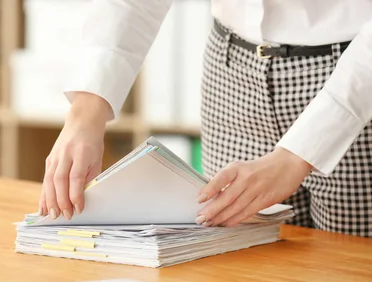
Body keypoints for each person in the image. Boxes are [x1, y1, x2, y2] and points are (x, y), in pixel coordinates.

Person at [38, 0, 372, 237]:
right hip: (232, 69)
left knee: (355, 278)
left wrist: (298, 154)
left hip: (356, 76)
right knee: (241, 275)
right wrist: (86, 110)